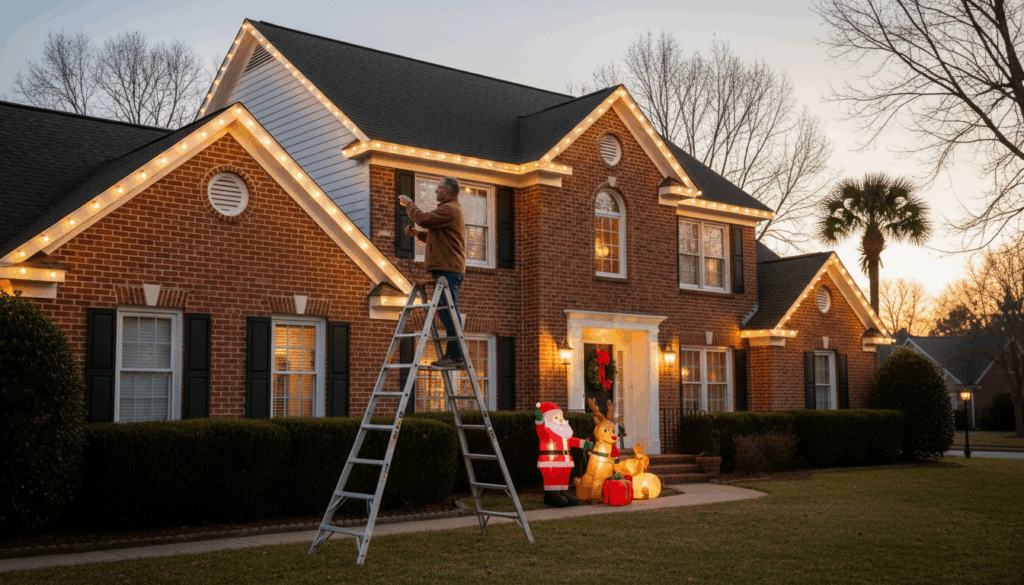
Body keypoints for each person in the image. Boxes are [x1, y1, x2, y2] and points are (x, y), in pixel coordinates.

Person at [398, 176, 466, 368]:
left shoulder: (449, 209)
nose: (436, 191)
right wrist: (418, 234)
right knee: (446, 311)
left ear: (447, 192)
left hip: (448, 268)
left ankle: (456, 355)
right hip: (447, 267)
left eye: (438, 188)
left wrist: (409, 204)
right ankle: (455, 354)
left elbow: (423, 219)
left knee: (449, 312)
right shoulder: (450, 211)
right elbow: (438, 237)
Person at [534, 402, 594, 507]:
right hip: (550, 461)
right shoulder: (546, 430)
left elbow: (572, 440)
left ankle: (563, 493)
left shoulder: (564, 433)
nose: (560, 419)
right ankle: (552, 495)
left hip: (565, 461)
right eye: (556, 417)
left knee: (563, 478)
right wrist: (539, 421)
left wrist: (584, 443)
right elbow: (540, 430)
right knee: (552, 478)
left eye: (560, 416)